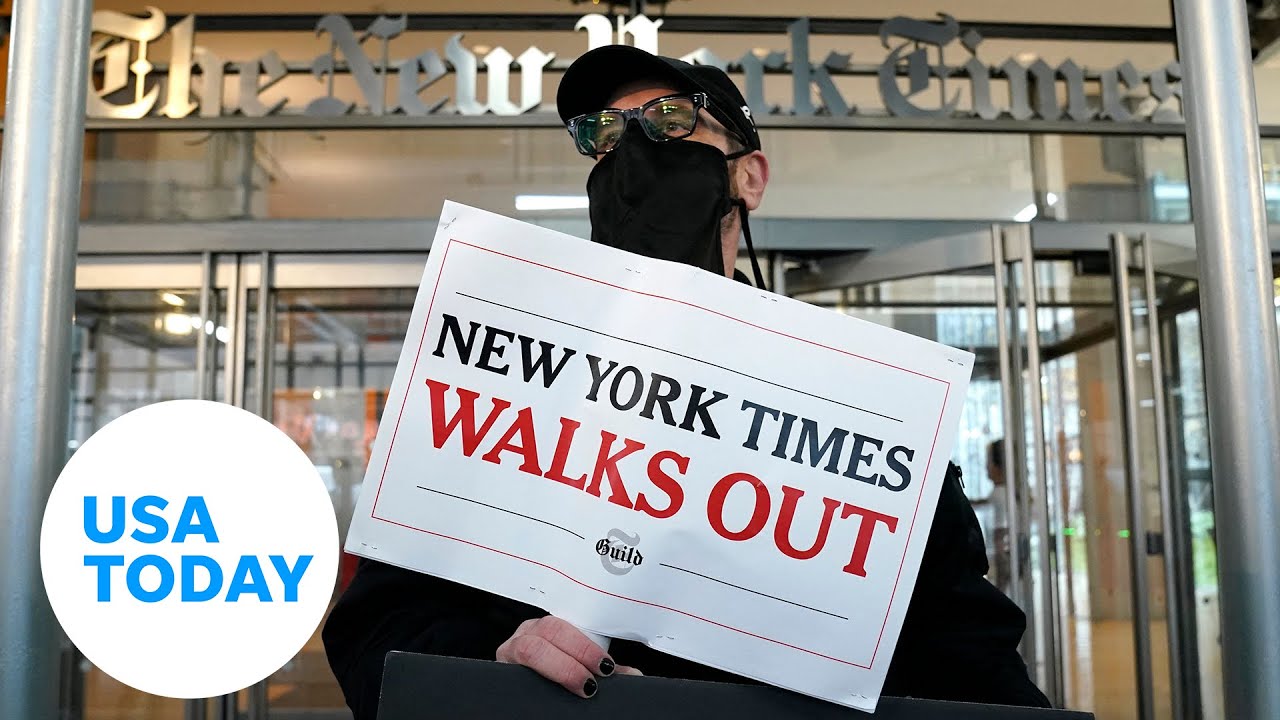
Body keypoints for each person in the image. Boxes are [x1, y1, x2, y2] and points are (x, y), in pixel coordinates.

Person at [322, 46, 1051, 718]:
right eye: (605, 135)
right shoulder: (502, 385)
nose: (633, 155)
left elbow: (969, 667)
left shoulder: (864, 412)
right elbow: (375, 632)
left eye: (672, 123)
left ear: (749, 176)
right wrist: (493, 664)